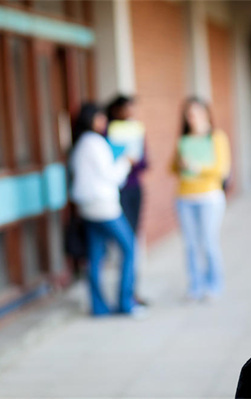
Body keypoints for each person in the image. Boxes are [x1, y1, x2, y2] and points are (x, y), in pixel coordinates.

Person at [69, 103, 144, 317]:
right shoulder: (95, 142)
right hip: (104, 206)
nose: (104, 122)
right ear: (91, 119)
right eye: (100, 118)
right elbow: (112, 176)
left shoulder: (80, 144)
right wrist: (126, 162)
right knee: (129, 248)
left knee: (95, 256)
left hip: (87, 207)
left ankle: (99, 307)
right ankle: (126, 302)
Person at [172, 97, 231, 301]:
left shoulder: (216, 137)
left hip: (209, 197)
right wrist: (180, 163)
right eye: (188, 114)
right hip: (184, 197)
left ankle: (214, 285)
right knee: (190, 244)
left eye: (196, 113)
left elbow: (222, 169)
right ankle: (195, 285)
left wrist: (197, 167)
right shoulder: (184, 140)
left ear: (206, 114)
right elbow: (171, 168)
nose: (192, 118)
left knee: (208, 242)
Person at [106, 94, 149, 306]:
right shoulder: (107, 132)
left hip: (134, 190)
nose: (129, 113)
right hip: (115, 192)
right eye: (126, 109)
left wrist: (133, 160)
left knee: (133, 241)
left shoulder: (136, 131)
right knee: (126, 243)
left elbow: (145, 163)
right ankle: (126, 293)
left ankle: (132, 291)